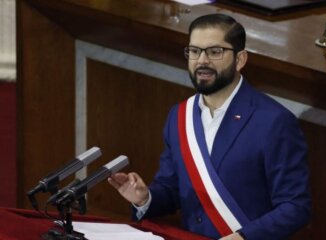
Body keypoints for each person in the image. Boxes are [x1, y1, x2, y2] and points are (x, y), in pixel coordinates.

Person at [108, 13, 312, 240]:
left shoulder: (274, 122)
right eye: (194, 51)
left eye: (215, 52)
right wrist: (144, 198)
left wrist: (243, 238)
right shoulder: (179, 115)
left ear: (240, 59)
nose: (202, 61)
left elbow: (295, 207)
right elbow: (172, 189)